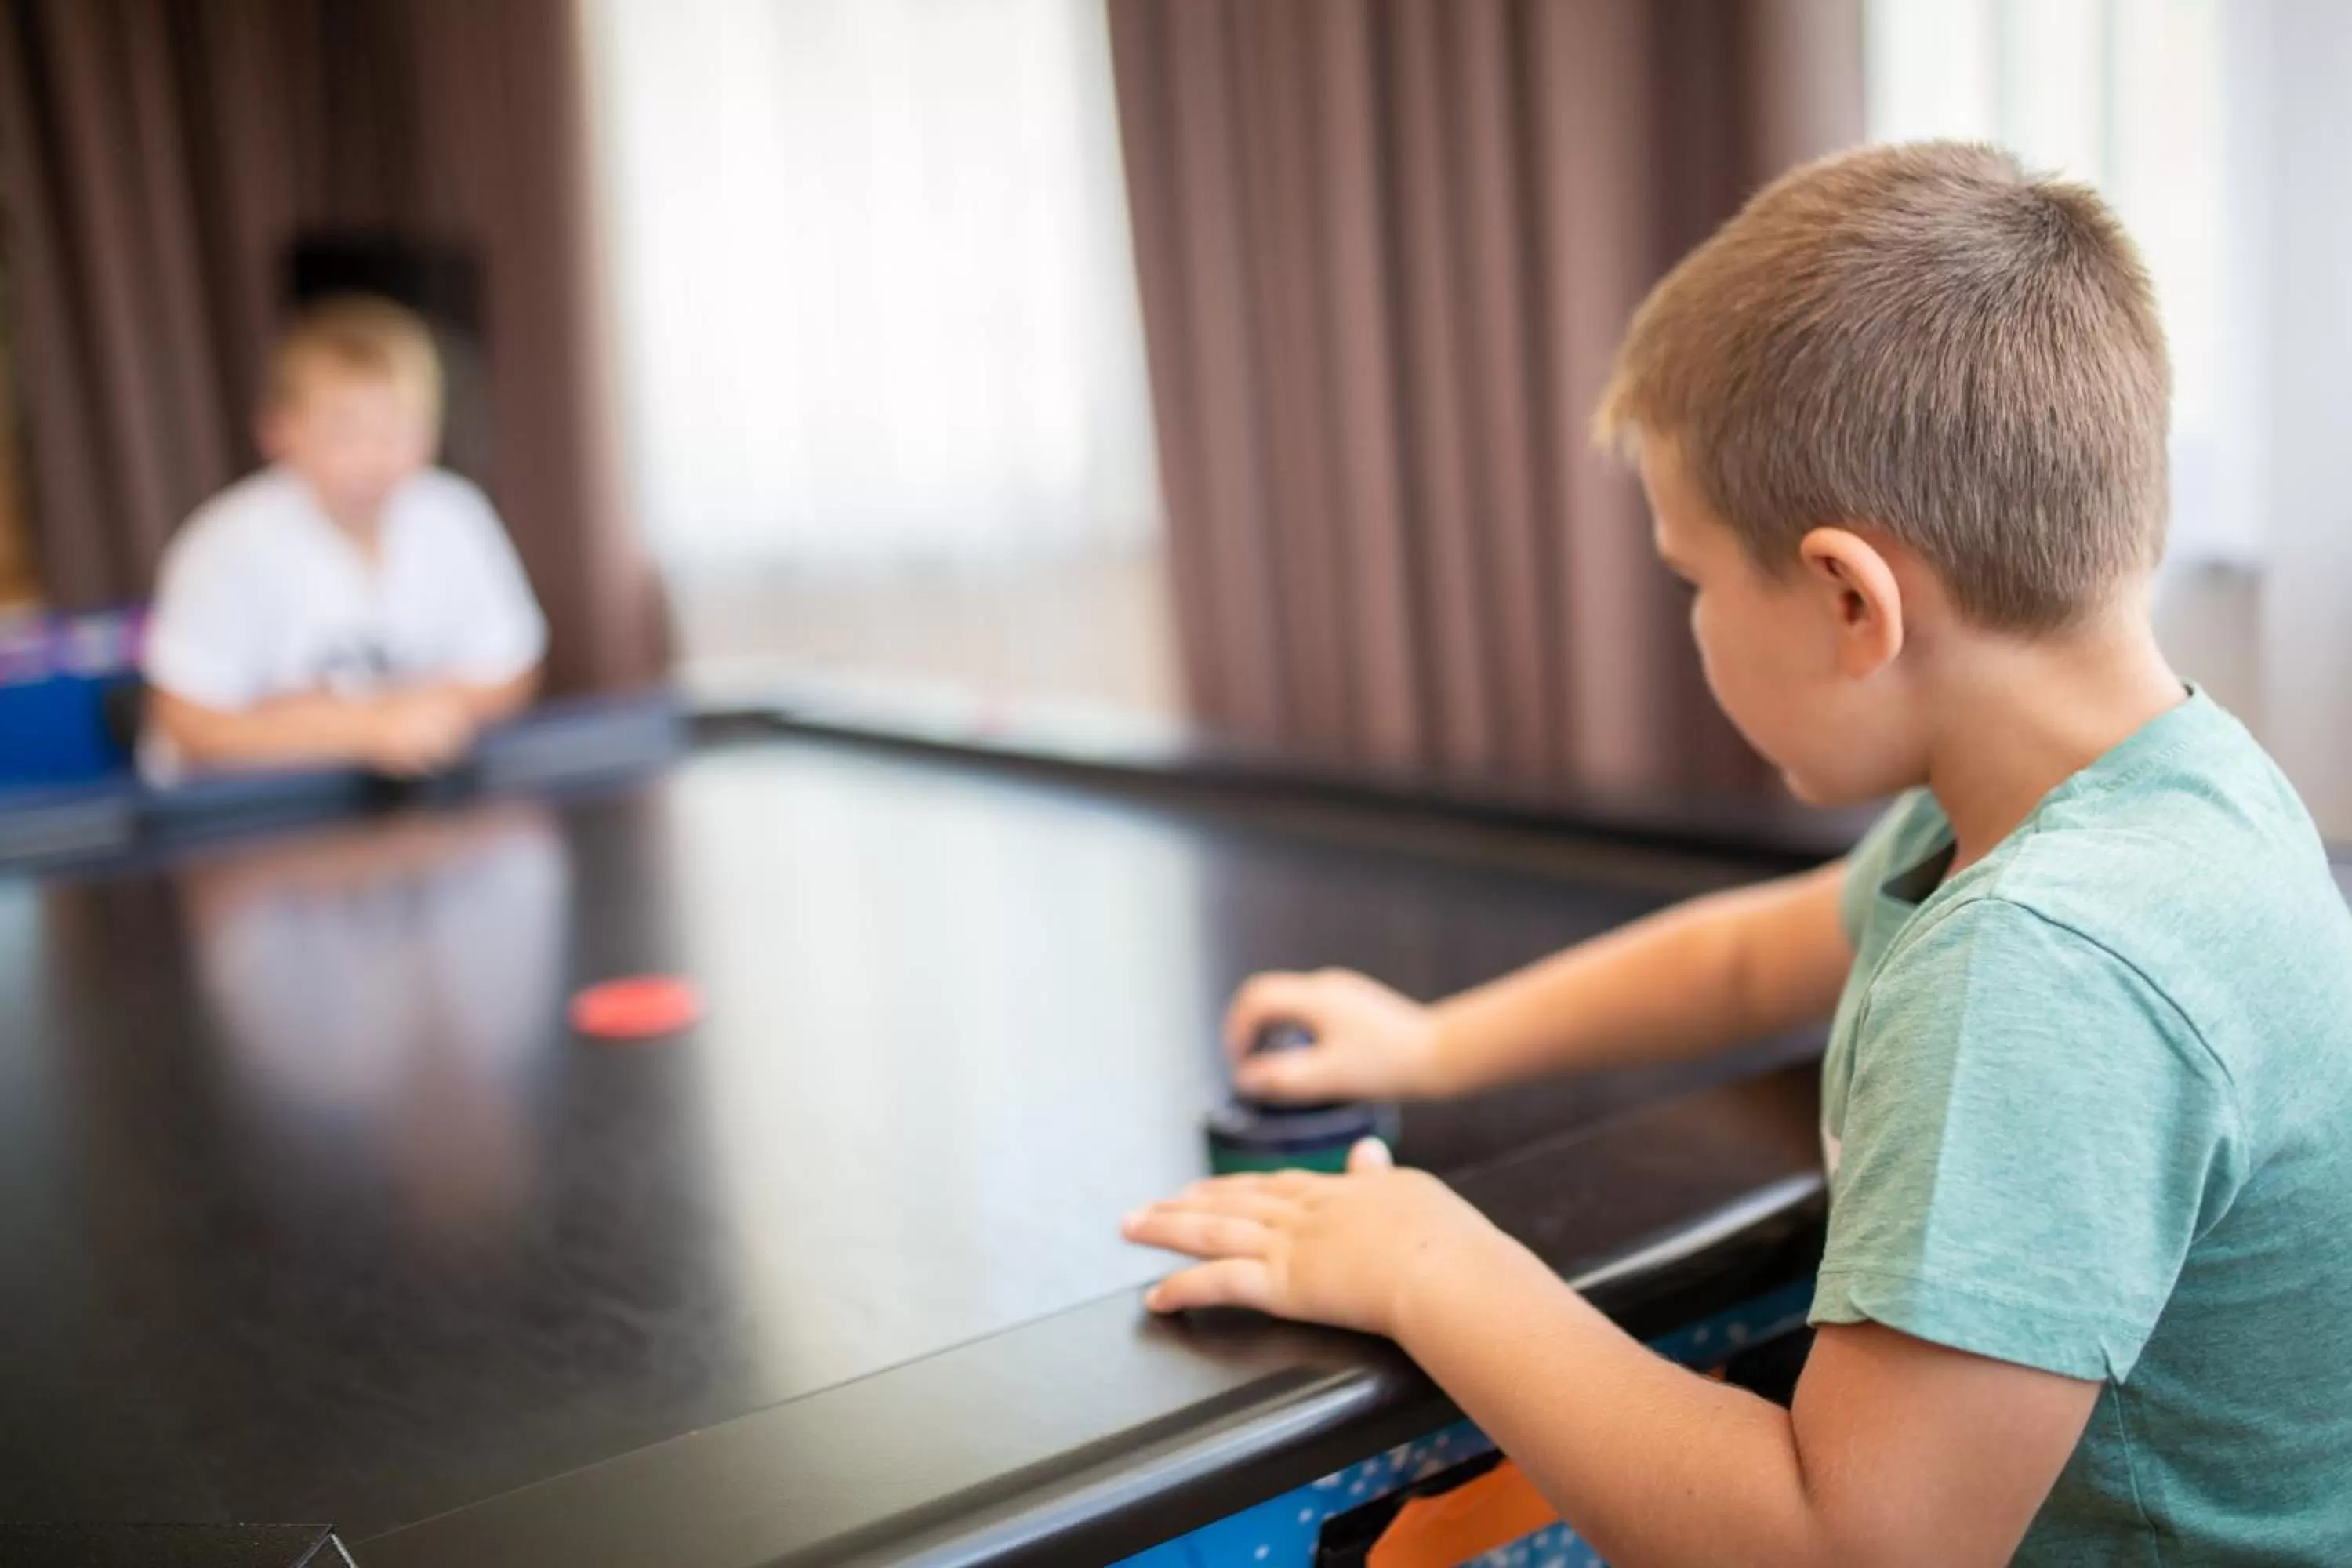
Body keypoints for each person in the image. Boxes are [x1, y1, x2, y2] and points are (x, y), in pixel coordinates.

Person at [1122, 141, 2352, 1564]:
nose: (1692, 621)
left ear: (1847, 598)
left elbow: (1845, 1549)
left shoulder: (2046, 965)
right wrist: (1430, 1045)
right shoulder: (2147, 782)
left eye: (1693, 579)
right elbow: (1752, 953)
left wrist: (1433, 1264)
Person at [142, 293, 545, 779]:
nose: (376, 457)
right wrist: (364, 729)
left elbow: (510, 674)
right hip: (246, 814)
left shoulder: (455, 515)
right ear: (279, 432)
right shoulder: (222, 546)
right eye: (347, 432)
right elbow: (190, 724)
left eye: (397, 428)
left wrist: (319, 715)